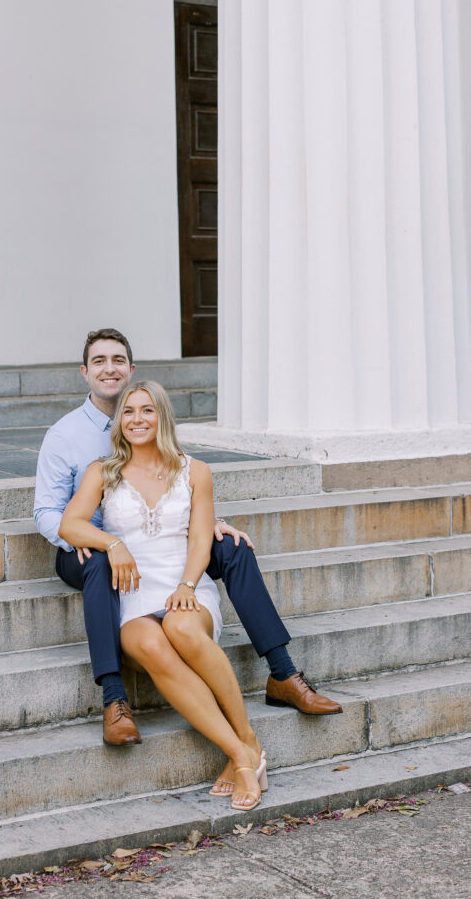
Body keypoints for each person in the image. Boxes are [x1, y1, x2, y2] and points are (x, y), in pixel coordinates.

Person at [34, 329, 342, 772]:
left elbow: (172, 483)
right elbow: (49, 512)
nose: (109, 369)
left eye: (118, 360)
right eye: (99, 361)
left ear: (132, 370)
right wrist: (95, 539)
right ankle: (113, 698)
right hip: (89, 546)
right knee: (102, 564)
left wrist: (195, 520)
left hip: (158, 545)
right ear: (85, 372)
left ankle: (282, 672)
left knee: (231, 546)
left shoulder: (159, 429)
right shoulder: (65, 437)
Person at [59, 380, 268, 811]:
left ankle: (246, 744)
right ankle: (242, 755)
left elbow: (199, 541)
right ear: (120, 421)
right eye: (129, 412)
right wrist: (113, 544)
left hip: (184, 581)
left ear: (162, 417)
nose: (137, 419)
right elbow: (70, 524)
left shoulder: (196, 471)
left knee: (183, 629)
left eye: (147, 410)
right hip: (132, 591)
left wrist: (188, 586)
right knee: (149, 641)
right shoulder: (103, 471)